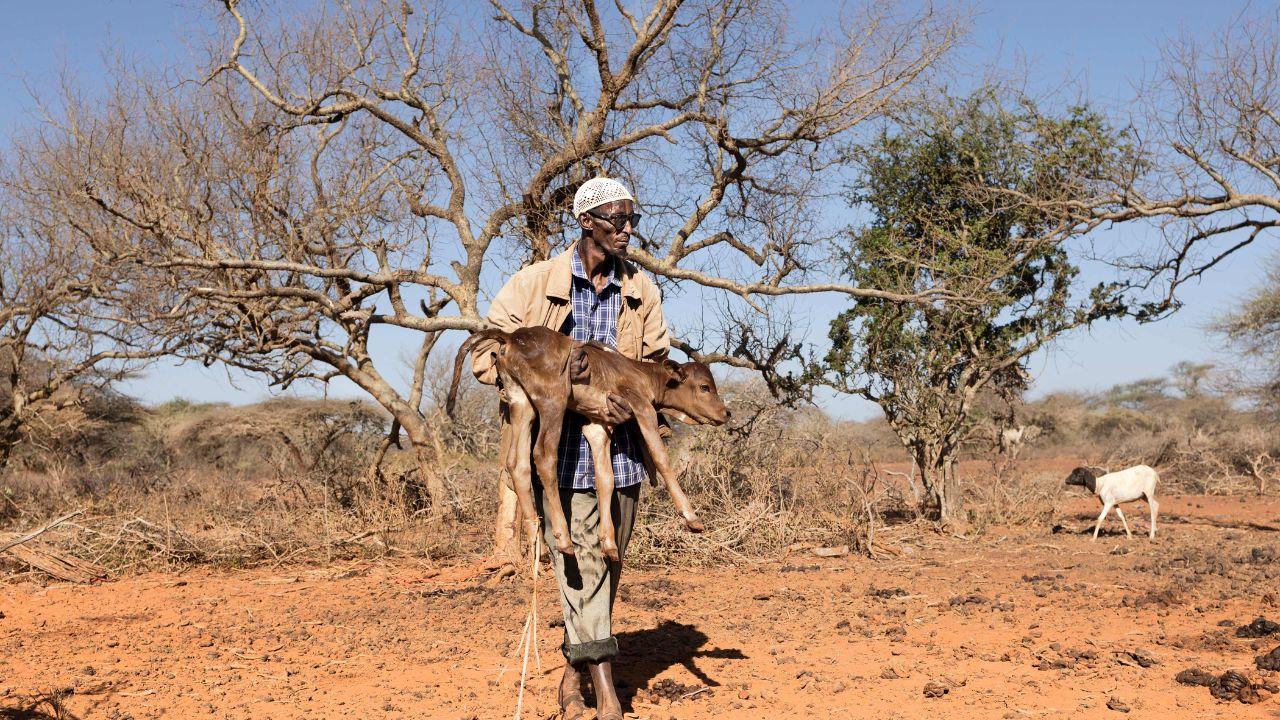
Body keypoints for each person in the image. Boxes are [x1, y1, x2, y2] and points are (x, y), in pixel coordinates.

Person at [471, 177, 669, 720]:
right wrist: (558, 377)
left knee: (605, 567)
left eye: (633, 220)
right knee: (581, 560)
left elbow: (654, 367)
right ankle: (606, 690)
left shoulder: (642, 292)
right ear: (586, 221)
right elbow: (485, 357)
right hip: (557, 455)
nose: (628, 229)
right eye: (616, 219)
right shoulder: (534, 284)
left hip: (621, 454)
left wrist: (641, 399)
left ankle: (570, 672)